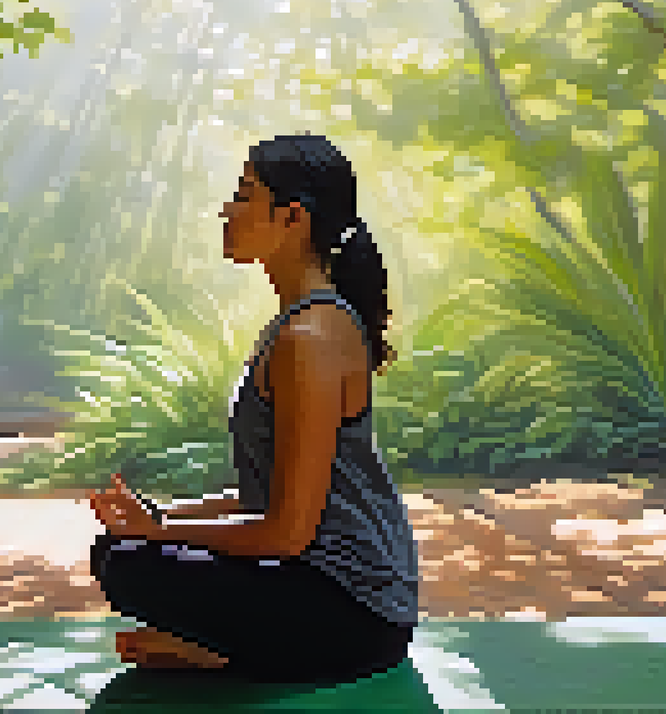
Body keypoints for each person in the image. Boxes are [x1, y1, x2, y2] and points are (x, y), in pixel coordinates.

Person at [86, 134, 419, 684]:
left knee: (129, 564)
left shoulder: (310, 337)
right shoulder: (299, 325)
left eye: (244, 195)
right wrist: (162, 519)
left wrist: (158, 537)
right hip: (325, 589)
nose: (228, 210)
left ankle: (226, 655)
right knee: (122, 549)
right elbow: (266, 497)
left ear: (293, 218)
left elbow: (289, 532)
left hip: (355, 611)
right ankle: (227, 648)